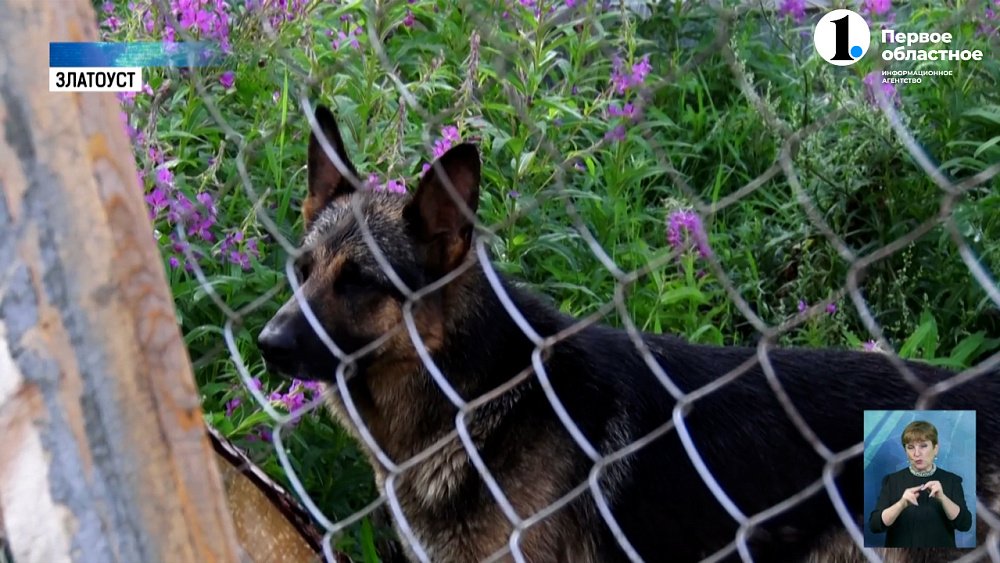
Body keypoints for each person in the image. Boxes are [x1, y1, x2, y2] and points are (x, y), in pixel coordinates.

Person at [869, 420, 973, 547]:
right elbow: (875, 526)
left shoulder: (952, 481)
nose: (916, 454)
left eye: (923, 446)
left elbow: (965, 525)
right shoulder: (892, 480)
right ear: (905, 451)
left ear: (935, 449)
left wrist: (943, 498)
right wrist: (901, 504)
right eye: (910, 447)